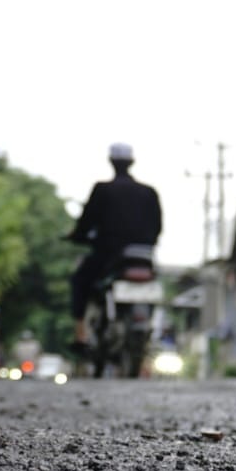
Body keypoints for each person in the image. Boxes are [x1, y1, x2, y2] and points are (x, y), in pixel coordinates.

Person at [67, 142, 163, 352]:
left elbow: (86, 221)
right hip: (144, 255)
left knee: (80, 280)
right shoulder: (149, 192)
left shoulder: (103, 190)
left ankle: (80, 333)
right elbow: (158, 226)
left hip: (109, 254)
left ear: (111, 162)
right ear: (132, 162)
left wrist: (77, 236)